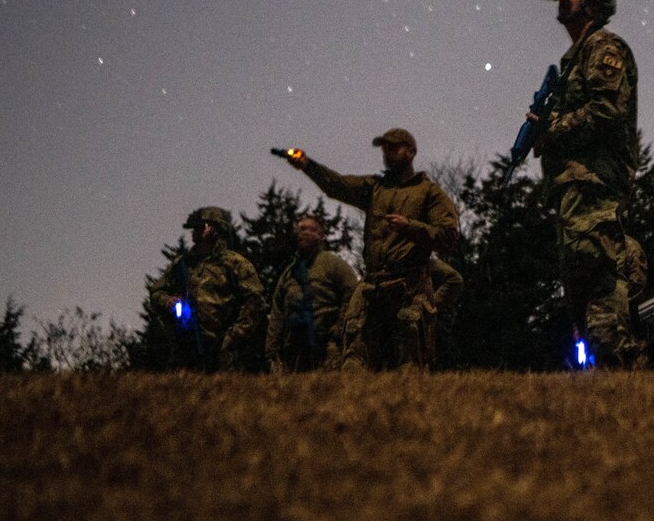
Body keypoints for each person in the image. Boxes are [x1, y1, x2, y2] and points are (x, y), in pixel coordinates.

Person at [529, 0, 646, 369]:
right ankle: (608, 384)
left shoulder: (604, 47)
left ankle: (624, 374)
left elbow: (606, 110)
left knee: (600, 283)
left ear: (593, 2)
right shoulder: (573, 61)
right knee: (580, 296)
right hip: (572, 192)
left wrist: (553, 129)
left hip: (595, 185)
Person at [283, 128, 459, 371]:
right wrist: (308, 165)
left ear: (411, 152)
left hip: (410, 288)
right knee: (353, 363)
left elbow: (447, 236)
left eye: (394, 148)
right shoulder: (375, 188)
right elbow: (337, 185)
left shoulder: (429, 193)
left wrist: (410, 227)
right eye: (384, 149)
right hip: (372, 287)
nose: (387, 154)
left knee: (409, 369)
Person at [149, 206, 266, 372]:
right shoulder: (183, 264)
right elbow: (156, 291)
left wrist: (235, 335)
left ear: (217, 229)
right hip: (185, 344)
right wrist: (167, 301)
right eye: (194, 228)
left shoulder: (234, 263)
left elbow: (255, 299)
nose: (195, 232)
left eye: (201, 227)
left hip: (222, 347)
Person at [267, 213, 358, 372]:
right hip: (294, 349)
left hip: (328, 346)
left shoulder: (333, 264)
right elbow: (277, 313)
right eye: (302, 229)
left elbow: (353, 294)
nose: (305, 232)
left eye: (312, 229)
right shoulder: (289, 274)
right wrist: (272, 349)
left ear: (321, 235)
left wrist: (340, 329)